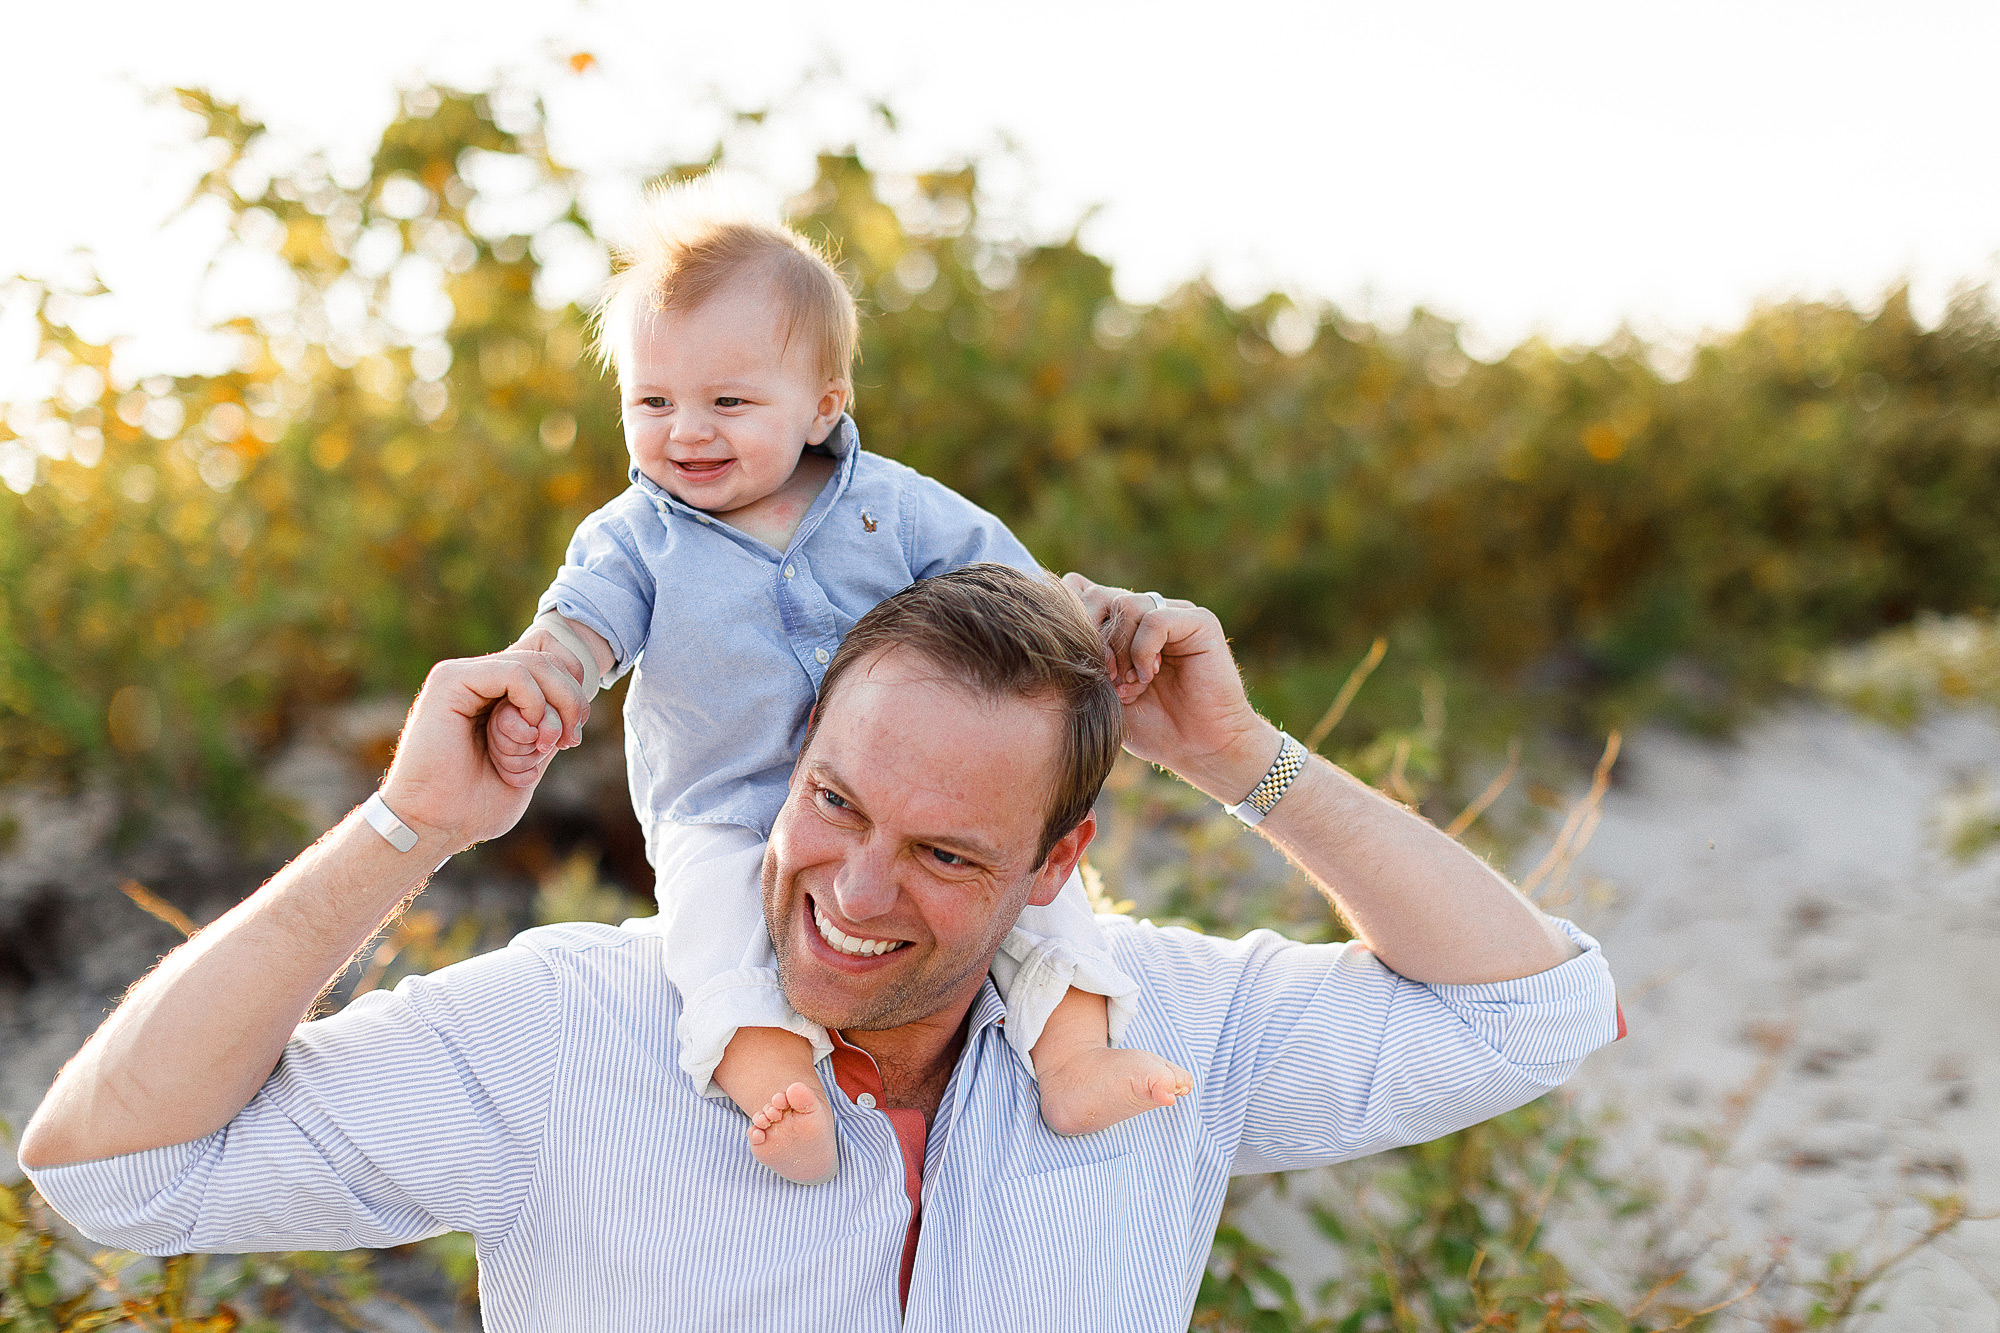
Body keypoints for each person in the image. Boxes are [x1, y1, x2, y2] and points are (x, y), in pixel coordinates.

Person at [19, 565, 1621, 1331]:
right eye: (834, 801)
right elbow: (108, 1166)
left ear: (1062, 859)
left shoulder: (1156, 1024)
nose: (853, 888)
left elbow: (1533, 1012)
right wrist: (406, 830)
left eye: (944, 853)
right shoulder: (568, 1028)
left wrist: (1239, 757)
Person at [483, 178, 1183, 1183]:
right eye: (652, 401)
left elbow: (1014, 588)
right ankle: (783, 1092)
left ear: (821, 407)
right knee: (713, 946)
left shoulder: (891, 508)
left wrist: (1093, 613)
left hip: (904, 798)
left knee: (1044, 906)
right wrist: (541, 678)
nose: (686, 430)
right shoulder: (636, 539)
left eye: (728, 401)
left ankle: (1074, 1058)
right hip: (721, 806)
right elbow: (579, 625)